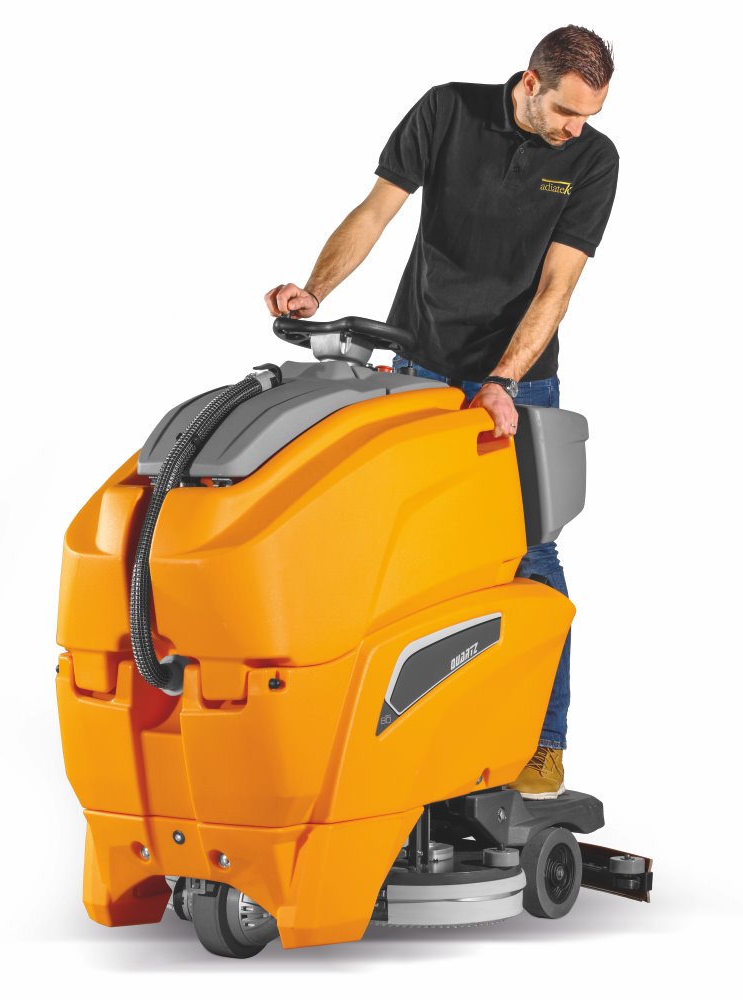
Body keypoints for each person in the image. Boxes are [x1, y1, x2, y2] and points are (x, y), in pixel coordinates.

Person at [265, 25, 618, 799]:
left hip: (517, 384)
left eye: (587, 116)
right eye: (565, 111)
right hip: (420, 368)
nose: (574, 129)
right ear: (530, 82)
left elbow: (557, 288)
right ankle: (413, 737)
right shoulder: (447, 112)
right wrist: (315, 292)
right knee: (405, 557)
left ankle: (541, 742)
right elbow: (375, 212)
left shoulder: (593, 160)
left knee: (528, 555)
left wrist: (502, 379)